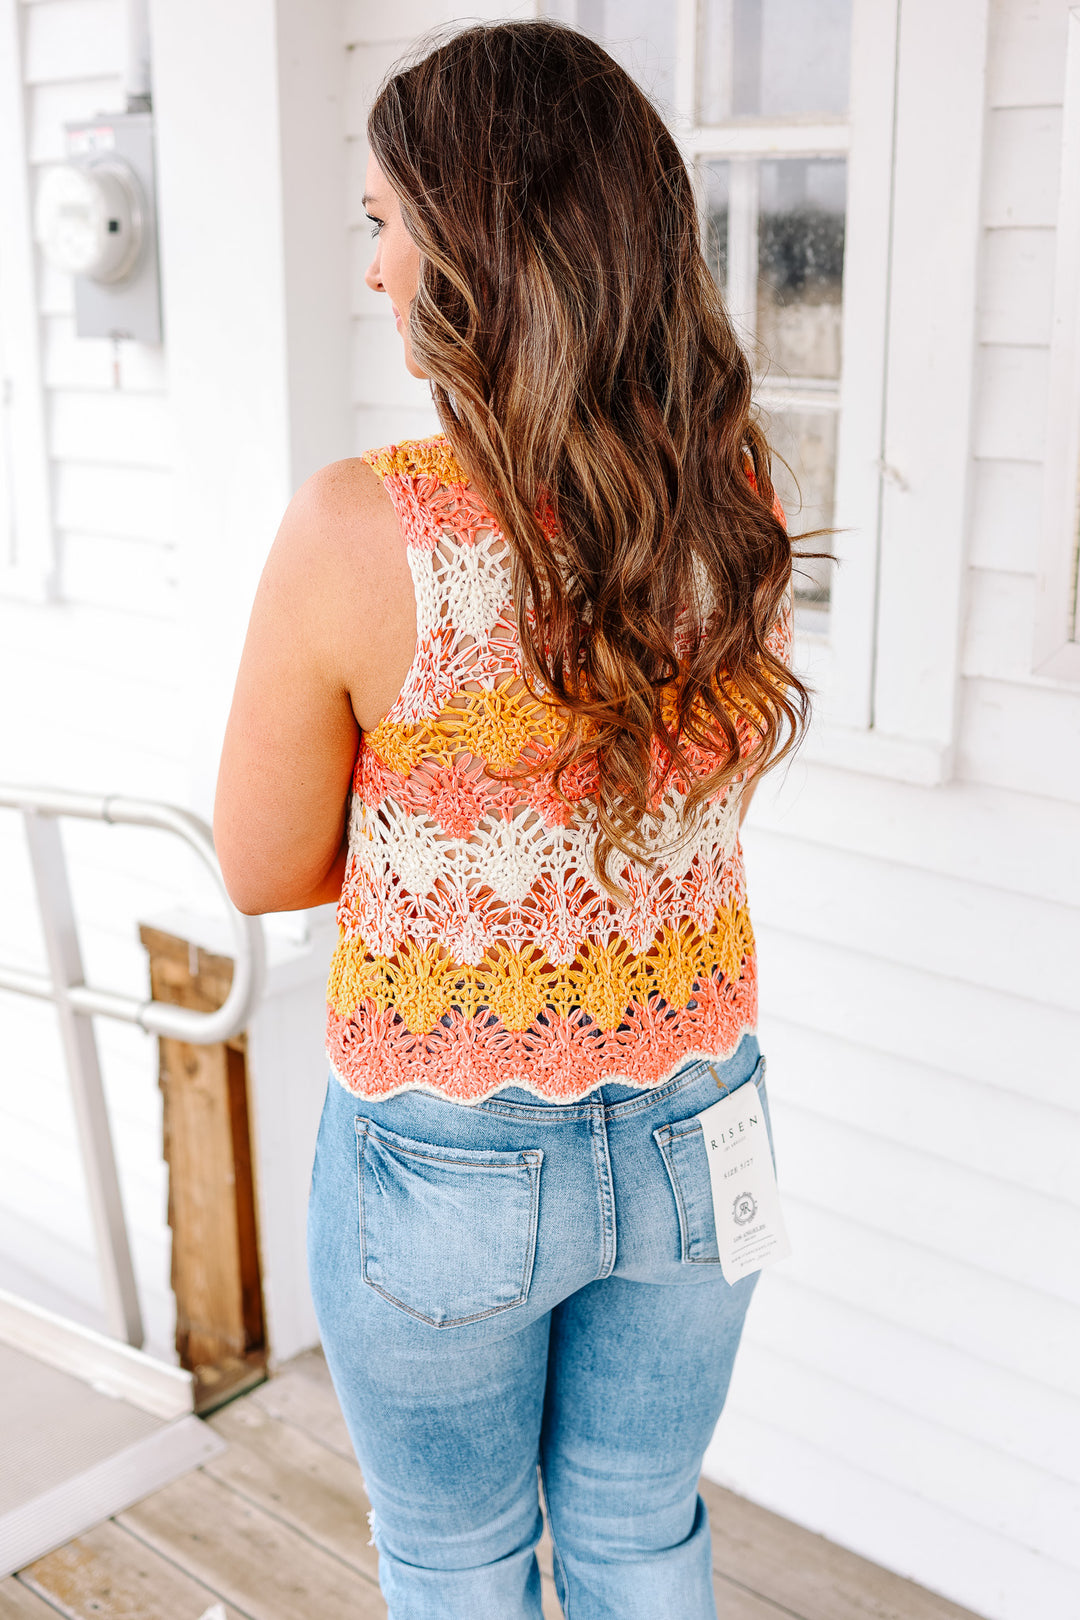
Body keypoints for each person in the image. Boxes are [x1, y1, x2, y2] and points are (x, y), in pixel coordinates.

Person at [214, 19, 809, 1619]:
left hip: (447, 1153)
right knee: (641, 1535)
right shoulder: (729, 496)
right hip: (699, 1119)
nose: (374, 269)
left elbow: (264, 864)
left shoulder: (359, 531)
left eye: (386, 224)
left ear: (483, 245)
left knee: (460, 1562)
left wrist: (460, 844)